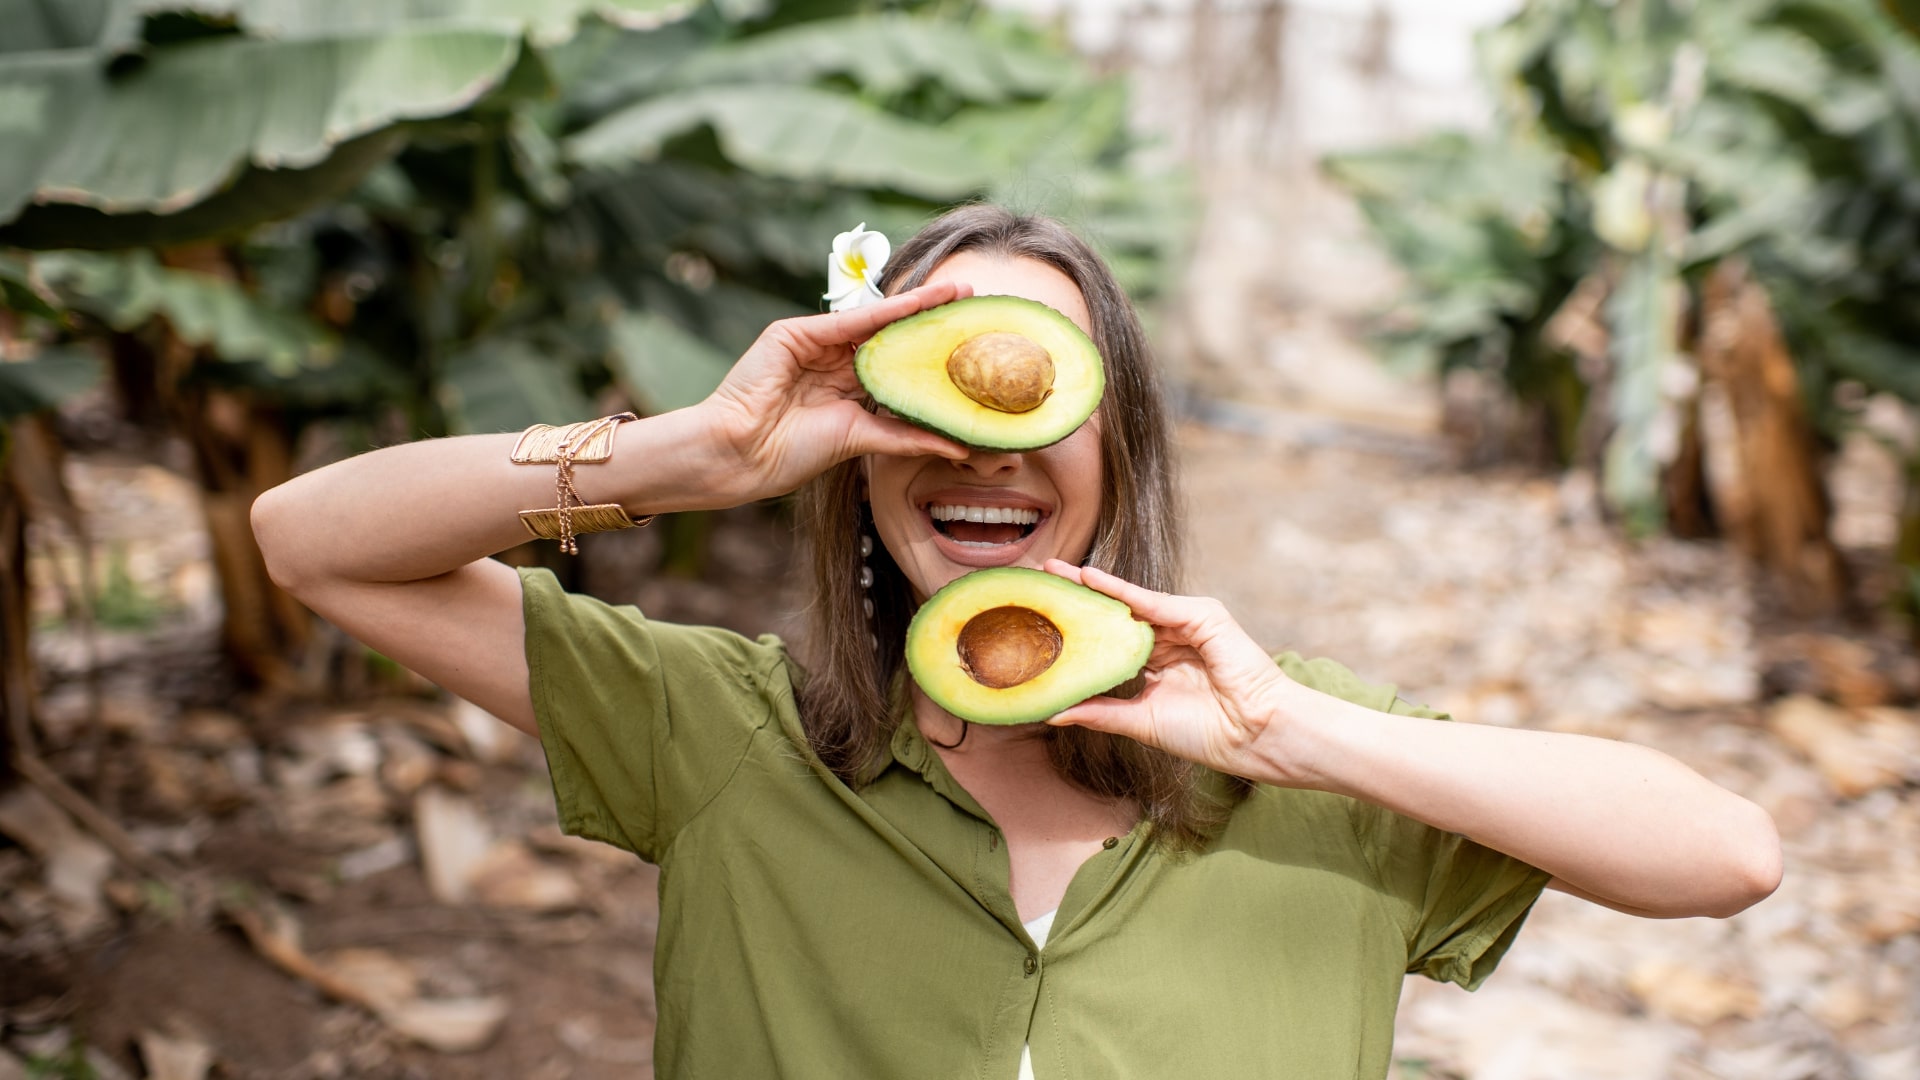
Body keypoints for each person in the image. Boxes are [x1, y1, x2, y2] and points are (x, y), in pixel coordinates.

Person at [252, 205, 1781, 1079]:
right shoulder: (727, 732)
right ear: (856, 455)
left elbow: (1725, 859)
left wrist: (1293, 742)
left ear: (1120, 453)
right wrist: (688, 455)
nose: (982, 458)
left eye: (1035, 405)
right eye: (927, 405)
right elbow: (308, 541)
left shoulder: (1302, 750)